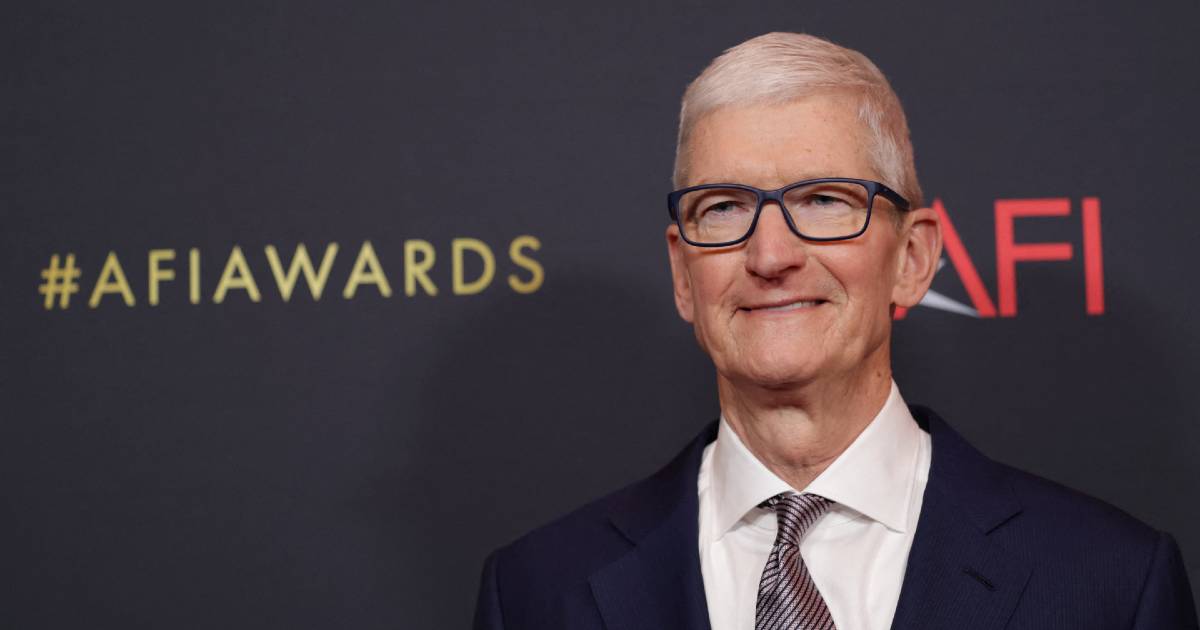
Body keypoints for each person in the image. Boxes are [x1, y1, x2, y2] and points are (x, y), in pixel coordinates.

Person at [472, 32, 1198, 630]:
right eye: (723, 208)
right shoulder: (539, 592)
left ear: (912, 259)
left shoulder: (1109, 583)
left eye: (823, 200)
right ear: (683, 273)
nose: (771, 255)